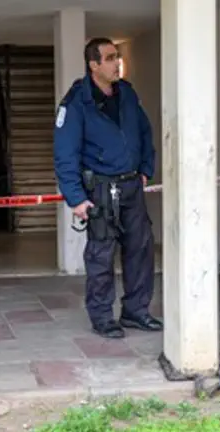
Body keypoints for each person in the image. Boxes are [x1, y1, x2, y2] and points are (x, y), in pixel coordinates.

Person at [54, 37, 162, 339]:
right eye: (111, 58)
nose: (118, 63)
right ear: (94, 65)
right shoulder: (76, 102)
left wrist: (145, 170)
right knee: (102, 254)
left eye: (118, 57)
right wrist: (75, 198)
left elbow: (144, 130)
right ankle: (102, 316)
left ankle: (136, 311)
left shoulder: (126, 92)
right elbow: (65, 153)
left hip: (131, 186)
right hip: (100, 189)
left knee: (140, 250)